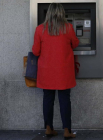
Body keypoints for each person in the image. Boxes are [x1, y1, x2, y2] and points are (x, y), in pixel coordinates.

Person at [32, 2, 79, 139]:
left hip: (46, 72)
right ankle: (67, 131)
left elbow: (35, 51)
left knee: (48, 99)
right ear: (62, 13)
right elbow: (75, 43)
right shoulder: (68, 28)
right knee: (65, 99)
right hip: (63, 71)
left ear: (48, 13)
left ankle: (48, 128)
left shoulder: (40, 29)